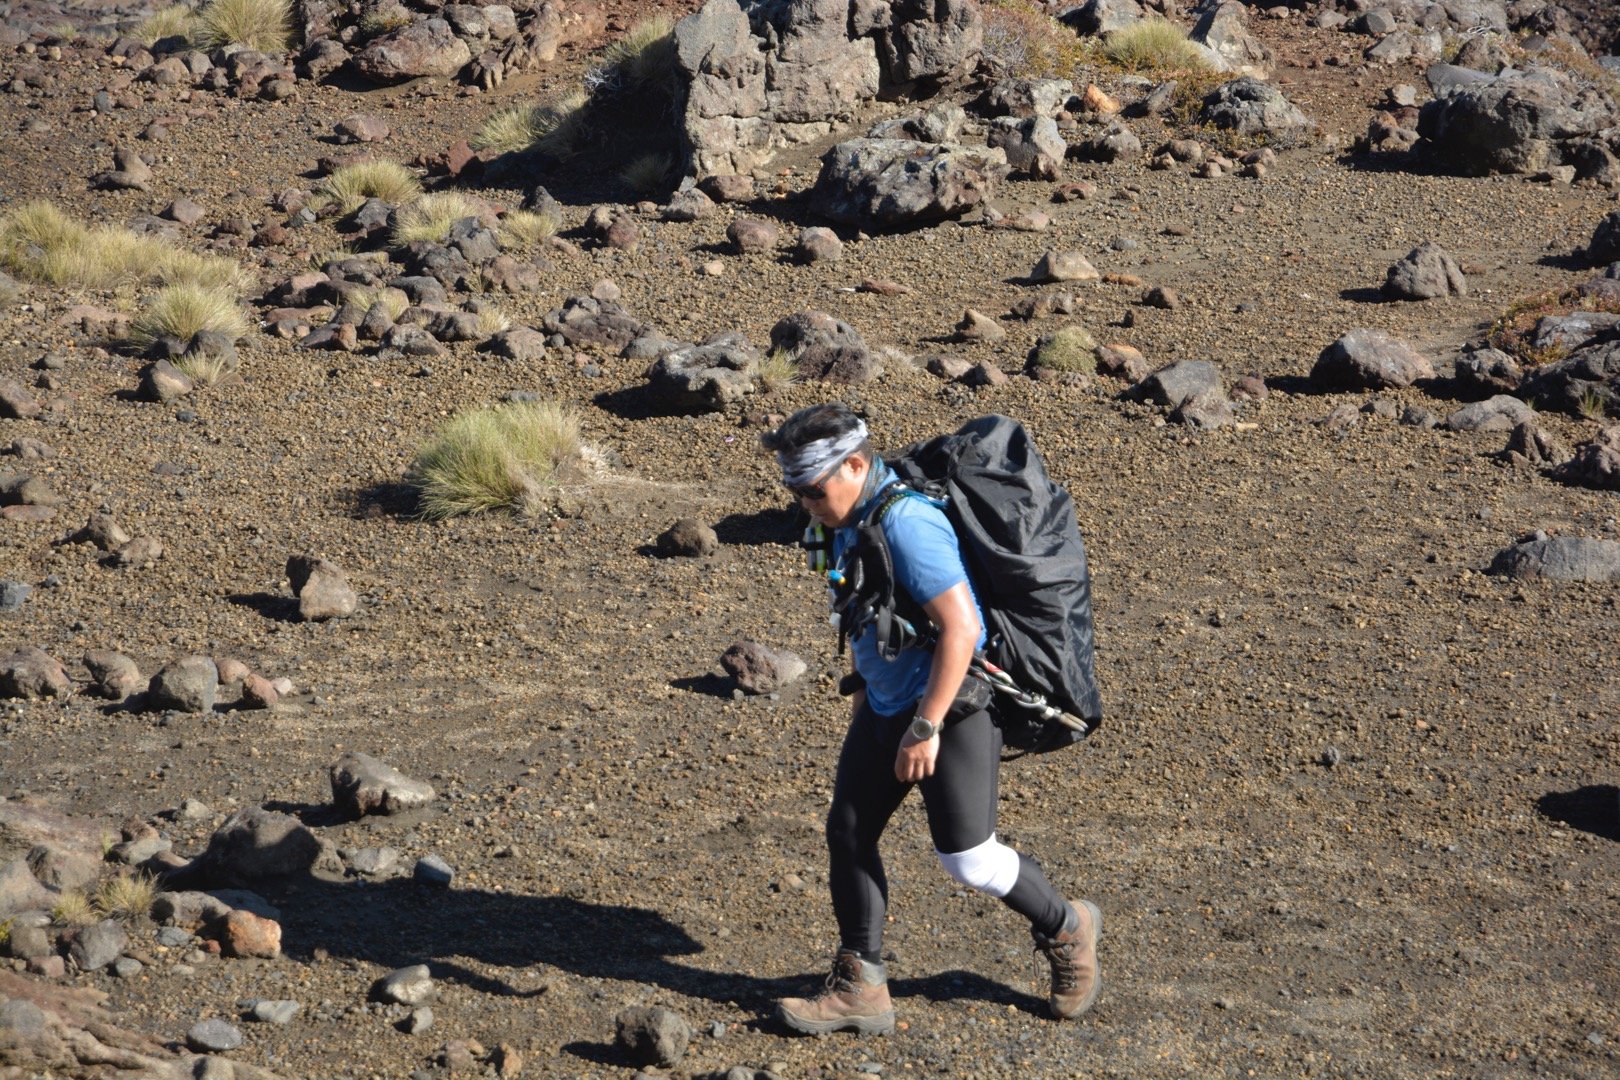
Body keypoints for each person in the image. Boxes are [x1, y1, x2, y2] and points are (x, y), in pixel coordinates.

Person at [762, 402, 1101, 1035]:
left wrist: (927, 726)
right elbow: (862, 602)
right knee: (850, 832)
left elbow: (962, 630)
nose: (805, 502)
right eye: (794, 491)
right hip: (889, 702)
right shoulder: (843, 518)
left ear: (857, 465)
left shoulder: (908, 526)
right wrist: (864, 682)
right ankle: (861, 984)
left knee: (968, 857)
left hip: (954, 705)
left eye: (812, 489)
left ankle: (1067, 927)